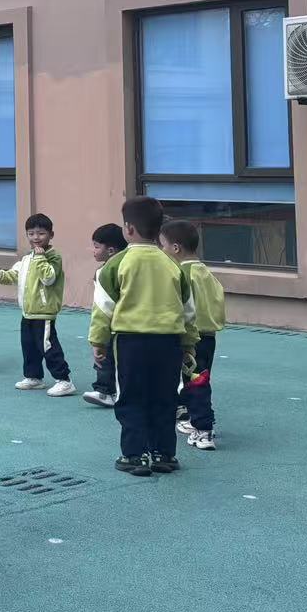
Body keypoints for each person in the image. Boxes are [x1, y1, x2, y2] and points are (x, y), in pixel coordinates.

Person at [89, 197, 196, 477]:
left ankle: (134, 455)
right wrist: (188, 344)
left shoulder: (116, 264)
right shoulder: (173, 264)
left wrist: (98, 341)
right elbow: (188, 309)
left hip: (131, 342)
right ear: (158, 229)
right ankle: (164, 454)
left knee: (131, 397)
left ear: (128, 229)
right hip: (169, 342)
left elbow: (103, 308)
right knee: (165, 397)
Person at [0, 213, 72, 397]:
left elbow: (49, 278)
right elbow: (14, 275)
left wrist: (41, 258)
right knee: (29, 346)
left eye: (41, 233)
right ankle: (33, 377)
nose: (36, 238)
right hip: (28, 312)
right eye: (31, 233)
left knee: (48, 345)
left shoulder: (53, 257)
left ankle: (64, 380)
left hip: (44, 311)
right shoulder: (27, 258)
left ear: (51, 235)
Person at [161, 219, 225, 451]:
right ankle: (194, 419)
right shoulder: (206, 272)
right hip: (209, 336)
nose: (162, 250)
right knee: (199, 378)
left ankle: (203, 428)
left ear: (175, 248)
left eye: (163, 246)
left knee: (196, 381)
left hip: (190, 337)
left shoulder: (181, 273)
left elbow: (176, 305)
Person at [81, 223, 128, 409]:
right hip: (128, 324)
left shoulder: (105, 272)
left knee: (104, 357)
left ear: (110, 250)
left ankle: (106, 391)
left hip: (114, 324)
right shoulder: (129, 265)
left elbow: (102, 307)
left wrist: (97, 340)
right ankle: (109, 390)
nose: (92, 250)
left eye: (96, 246)